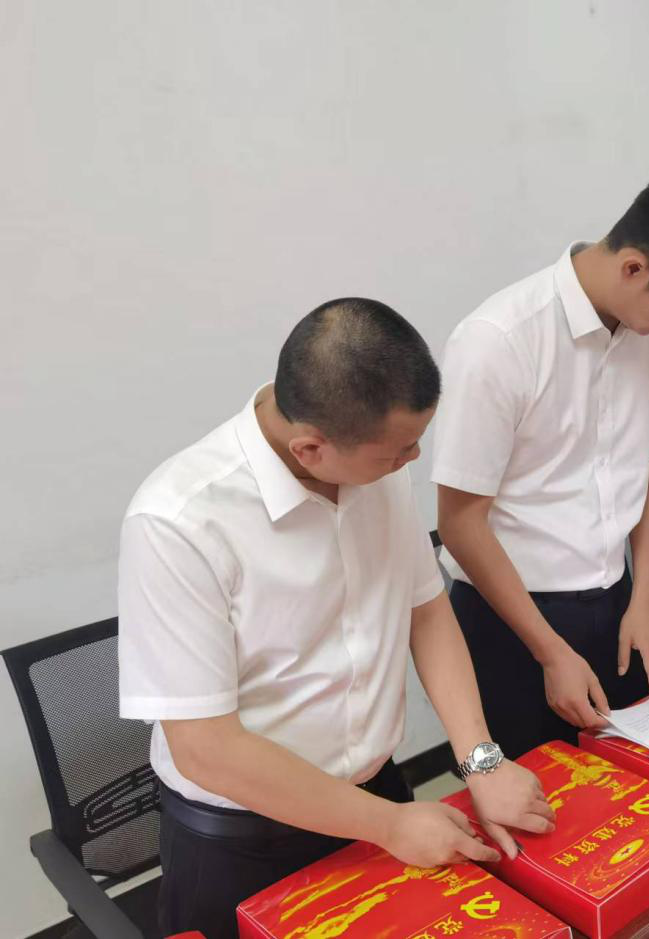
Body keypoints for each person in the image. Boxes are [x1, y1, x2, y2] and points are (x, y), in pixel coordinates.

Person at [119, 299, 553, 939]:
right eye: (398, 452)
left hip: (380, 794)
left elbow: (427, 613)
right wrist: (388, 827)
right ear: (311, 448)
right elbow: (207, 749)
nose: (413, 459)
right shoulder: (179, 521)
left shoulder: (373, 463)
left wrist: (480, 761)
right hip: (248, 840)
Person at [434, 168, 649, 759]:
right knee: (534, 789)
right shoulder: (499, 340)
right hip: (510, 618)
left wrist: (645, 601)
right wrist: (550, 651)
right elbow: (461, 522)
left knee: (634, 779)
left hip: (617, 602)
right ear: (634, 267)